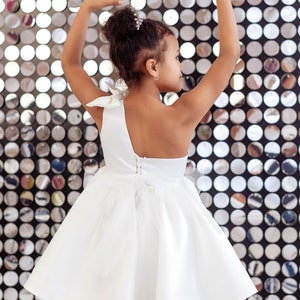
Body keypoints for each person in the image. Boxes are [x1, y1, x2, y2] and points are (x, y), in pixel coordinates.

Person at [24, 0, 258, 299]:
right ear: (153, 67)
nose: (181, 64)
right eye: (176, 56)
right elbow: (229, 54)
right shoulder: (184, 114)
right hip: (169, 227)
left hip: (109, 224)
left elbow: (69, 63)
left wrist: (86, 8)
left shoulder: (104, 111)